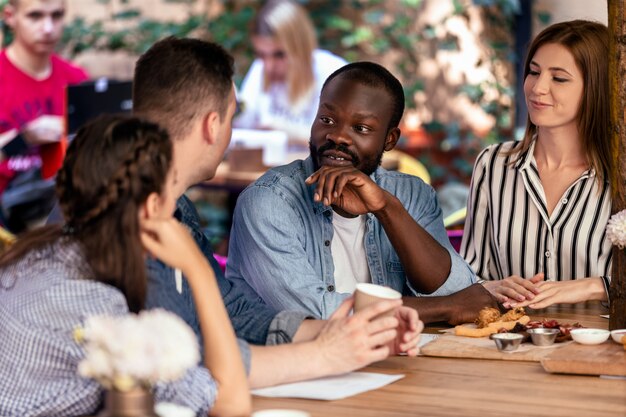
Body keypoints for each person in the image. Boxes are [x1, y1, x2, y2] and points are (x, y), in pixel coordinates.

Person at [130, 37, 423, 389]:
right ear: (212, 125)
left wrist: (341, 329)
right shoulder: (135, 217)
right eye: (232, 117)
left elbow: (231, 311)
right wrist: (325, 355)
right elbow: (185, 373)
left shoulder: (178, 211)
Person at [0, 115, 250, 416]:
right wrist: (199, 271)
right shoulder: (98, 313)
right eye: (172, 189)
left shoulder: (30, 256)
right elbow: (231, 403)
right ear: (153, 207)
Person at [226, 61, 477, 319]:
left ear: (390, 139)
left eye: (361, 128)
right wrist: (447, 309)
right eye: (327, 119)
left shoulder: (412, 195)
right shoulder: (268, 202)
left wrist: (387, 208)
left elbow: (456, 289)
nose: (338, 136)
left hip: (393, 356)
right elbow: (315, 313)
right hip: (297, 357)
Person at [460, 20, 613, 310]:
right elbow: (470, 273)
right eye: (534, 72)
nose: (537, 88)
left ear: (597, 88)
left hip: (600, 350)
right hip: (512, 345)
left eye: (559, 78)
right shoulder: (493, 164)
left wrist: (592, 287)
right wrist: (491, 288)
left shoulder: (619, 175)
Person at [0, 0, 88, 232]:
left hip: (63, 219)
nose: (48, 28)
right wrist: (23, 138)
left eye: (56, 16)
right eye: (35, 16)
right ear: (10, 16)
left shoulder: (76, 79)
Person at [234, 0, 347, 144]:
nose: (269, 66)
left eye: (279, 54)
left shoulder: (334, 73)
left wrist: (291, 133)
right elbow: (242, 129)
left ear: (301, 47)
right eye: (261, 54)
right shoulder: (259, 68)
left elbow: (347, 139)